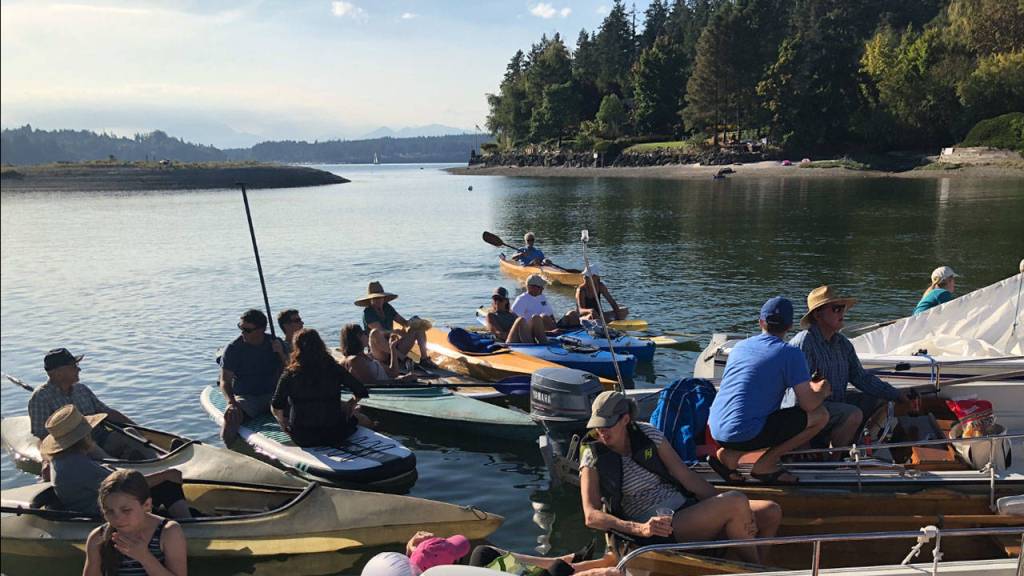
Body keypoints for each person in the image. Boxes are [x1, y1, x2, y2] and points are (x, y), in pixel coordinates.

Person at [580, 391, 781, 565]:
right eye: (598, 425)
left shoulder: (647, 434)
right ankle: (758, 571)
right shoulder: (593, 457)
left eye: (607, 425)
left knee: (770, 511)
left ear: (625, 419)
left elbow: (686, 476)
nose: (601, 431)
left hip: (684, 507)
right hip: (656, 528)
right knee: (736, 502)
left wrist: (732, 507)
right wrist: (639, 528)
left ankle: (750, 568)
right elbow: (591, 516)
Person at [708, 297, 831, 484]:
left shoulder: (740, 347)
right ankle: (765, 465)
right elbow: (808, 404)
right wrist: (821, 391)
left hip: (717, 429)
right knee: (820, 415)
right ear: (790, 326)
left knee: (754, 421)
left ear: (761, 322)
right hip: (745, 432)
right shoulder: (790, 353)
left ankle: (729, 457)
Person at [790, 286, 907, 450]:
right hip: (810, 411)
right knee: (853, 414)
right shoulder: (804, 343)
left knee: (881, 400)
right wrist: (803, 441)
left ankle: (858, 443)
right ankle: (832, 460)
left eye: (842, 308)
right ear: (818, 315)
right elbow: (797, 396)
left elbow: (860, 377)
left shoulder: (843, 343)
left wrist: (895, 394)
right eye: (836, 309)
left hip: (835, 404)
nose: (841, 313)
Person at [41, 405, 191, 519]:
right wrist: (165, 475)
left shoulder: (63, 459)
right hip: (106, 511)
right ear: (82, 436)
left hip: (104, 502)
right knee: (166, 485)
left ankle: (182, 515)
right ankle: (188, 524)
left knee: (160, 486)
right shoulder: (75, 464)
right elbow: (124, 486)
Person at [28, 348, 144, 460]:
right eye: (74, 367)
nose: (79, 370)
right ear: (58, 373)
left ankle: (156, 460)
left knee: (131, 433)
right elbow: (42, 436)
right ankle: (119, 469)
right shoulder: (40, 398)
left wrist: (140, 429)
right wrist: (47, 460)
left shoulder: (81, 389)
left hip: (101, 438)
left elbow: (107, 412)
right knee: (94, 450)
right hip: (75, 448)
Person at [270, 328, 370, 447]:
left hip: (303, 436)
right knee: (359, 417)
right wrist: (351, 404)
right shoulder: (333, 368)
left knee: (275, 408)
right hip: (336, 433)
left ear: (297, 348)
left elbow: (276, 405)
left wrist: (283, 423)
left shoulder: (290, 374)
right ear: (321, 344)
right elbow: (360, 390)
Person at [84, 469, 188, 576]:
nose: (117, 518)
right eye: (109, 511)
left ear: (147, 505)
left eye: (126, 510)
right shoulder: (99, 537)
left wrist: (144, 557)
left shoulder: (168, 532)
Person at [220, 309, 285, 444]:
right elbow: (225, 381)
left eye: (247, 330)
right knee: (231, 415)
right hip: (247, 398)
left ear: (261, 329)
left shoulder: (274, 342)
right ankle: (229, 447)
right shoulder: (233, 348)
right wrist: (231, 402)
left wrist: (281, 353)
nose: (243, 333)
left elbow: (292, 369)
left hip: (274, 394)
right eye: (241, 328)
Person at [356, 281, 436, 370]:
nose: (378, 300)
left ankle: (424, 359)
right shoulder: (368, 312)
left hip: (394, 347)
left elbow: (404, 323)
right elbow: (380, 331)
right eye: (375, 298)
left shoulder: (387, 307)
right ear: (370, 300)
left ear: (383, 297)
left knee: (417, 328)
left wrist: (414, 322)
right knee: (375, 333)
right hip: (379, 352)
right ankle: (404, 359)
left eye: (380, 297)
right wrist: (395, 332)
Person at [339, 323, 418, 385]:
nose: (366, 334)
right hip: (389, 391)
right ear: (357, 338)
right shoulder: (355, 360)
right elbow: (372, 384)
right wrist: (402, 380)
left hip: (391, 384)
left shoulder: (366, 357)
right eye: (363, 333)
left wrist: (392, 348)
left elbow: (393, 372)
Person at [511, 275, 580, 340]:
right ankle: (559, 336)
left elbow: (550, 314)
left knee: (572, 313)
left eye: (542, 287)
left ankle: (579, 335)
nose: (542, 289)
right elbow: (515, 320)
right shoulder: (521, 299)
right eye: (540, 287)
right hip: (534, 330)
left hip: (550, 326)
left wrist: (555, 326)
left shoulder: (542, 297)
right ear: (530, 287)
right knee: (543, 316)